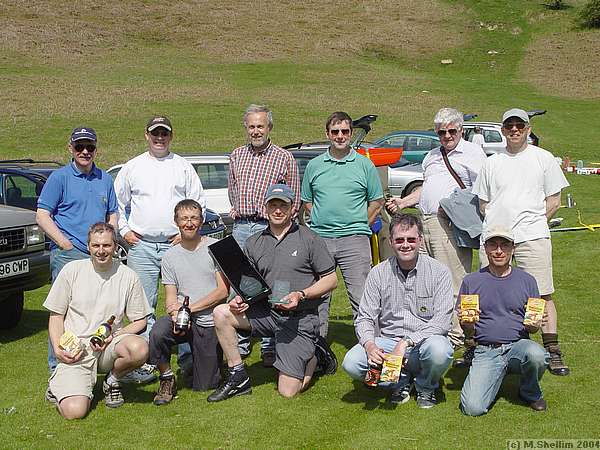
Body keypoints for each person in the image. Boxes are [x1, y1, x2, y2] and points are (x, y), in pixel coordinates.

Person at [207, 184, 338, 402]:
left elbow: (331, 279)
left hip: (299, 319)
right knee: (221, 313)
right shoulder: (254, 242)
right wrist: (241, 299)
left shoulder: (309, 238)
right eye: (273, 205)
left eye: (283, 206)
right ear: (265, 209)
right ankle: (238, 375)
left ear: (292, 209)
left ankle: (315, 354)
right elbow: (250, 283)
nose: (278, 210)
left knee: (288, 391)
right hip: (267, 313)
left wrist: (301, 295)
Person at [473, 108, 570, 376]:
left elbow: (554, 200)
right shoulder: (492, 162)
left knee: (542, 293)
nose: (514, 129)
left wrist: (535, 222)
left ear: (528, 129)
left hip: (532, 236)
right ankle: (479, 345)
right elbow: (483, 203)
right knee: (487, 292)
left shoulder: (544, 158)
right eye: (509, 126)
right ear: (503, 130)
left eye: (520, 125)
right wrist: (500, 227)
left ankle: (551, 349)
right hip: (495, 238)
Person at [386, 107, 487, 360]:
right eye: (442, 132)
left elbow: (484, 189)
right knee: (425, 280)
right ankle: (431, 330)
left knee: (454, 282)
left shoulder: (474, 153)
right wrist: (403, 202)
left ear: (461, 130)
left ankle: (459, 336)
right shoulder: (431, 156)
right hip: (426, 223)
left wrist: (455, 205)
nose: (447, 136)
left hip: (451, 225)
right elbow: (427, 188)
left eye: (452, 131)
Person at [114, 116, 205, 383]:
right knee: (142, 306)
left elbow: (197, 200)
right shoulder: (133, 167)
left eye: (164, 133)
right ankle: (148, 360)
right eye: (155, 133)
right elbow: (116, 203)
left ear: (171, 136)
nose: (160, 138)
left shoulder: (182, 166)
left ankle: (189, 358)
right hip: (141, 245)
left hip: (174, 244)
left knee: (185, 302)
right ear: (146, 135)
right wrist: (124, 231)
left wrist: (182, 232)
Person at [342, 213, 454, 409]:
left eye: (411, 239)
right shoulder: (378, 272)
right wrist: (369, 345)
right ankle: (400, 382)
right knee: (351, 362)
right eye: (399, 240)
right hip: (387, 342)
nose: (405, 245)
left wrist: (406, 342)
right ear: (391, 242)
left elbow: (442, 322)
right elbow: (365, 317)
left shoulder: (439, 272)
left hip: (422, 342)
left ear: (420, 240)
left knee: (441, 350)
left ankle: (426, 386)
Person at [44, 223, 151, 419]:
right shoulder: (71, 271)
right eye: (96, 246)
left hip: (108, 347)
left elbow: (140, 321)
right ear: (88, 246)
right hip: (77, 351)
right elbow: (56, 316)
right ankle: (60, 386)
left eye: (107, 246)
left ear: (115, 246)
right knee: (75, 412)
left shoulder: (128, 275)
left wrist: (117, 335)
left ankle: (113, 380)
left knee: (139, 348)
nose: (101, 251)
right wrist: (59, 349)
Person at [36, 126, 118, 373]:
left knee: (99, 309)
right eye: (79, 147)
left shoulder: (105, 178)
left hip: (100, 255)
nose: (85, 152)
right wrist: (64, 243)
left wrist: (110, 241)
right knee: (62, 313)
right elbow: (42, 215)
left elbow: (112, 213)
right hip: (68, 255)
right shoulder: (59, 177)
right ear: (70, 148)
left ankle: (92, 364)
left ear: (96, 149)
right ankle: (57, 367)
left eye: (90, 147)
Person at [228, 104, 300, 366]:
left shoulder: (284, 157)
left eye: (261, 126)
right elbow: (232, 189)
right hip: (242, 227)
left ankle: (271, 341)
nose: (256, 131)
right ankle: (243, 338)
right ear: (246, 128)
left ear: (269, 127)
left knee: (272, 283)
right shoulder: (236, 155)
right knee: (241, 283)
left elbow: (294, 195)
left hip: (270, 226)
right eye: (251, 126)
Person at [301, 111, 384, 338]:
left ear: (350, 133)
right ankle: (316, 350)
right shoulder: (315, 165)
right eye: (335, 131)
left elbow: (377, 200)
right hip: (320, 240)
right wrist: (320, 217)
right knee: (319, 298)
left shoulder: (364, 165)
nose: (340, 136)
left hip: (355, 240)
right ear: (327, 134)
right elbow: (307, 200)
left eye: (345, 131)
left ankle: (369, 350)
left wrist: (360, 223)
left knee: (361, 297)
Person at [459, 226, 549, 415]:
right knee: (472, 408)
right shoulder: (471, 281)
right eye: (493, 245)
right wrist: (467, 326)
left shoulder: (527, 280)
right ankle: (495, 374)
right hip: (486, 350)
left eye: (504, 245)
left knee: (537, 355)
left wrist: (534, 326)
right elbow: (468, 332)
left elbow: (532, 330)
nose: (499, 251)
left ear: (512, 248)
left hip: (518, 345)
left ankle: (529, 391)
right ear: (485, 248)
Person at [148, 199, 229, 405]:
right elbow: (170, 297)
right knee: (157, 332)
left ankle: (215, 363)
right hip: (183, 319)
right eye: (184, 218)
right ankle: (166, 378)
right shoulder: (169, 256)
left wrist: (189, 309)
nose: (189, 223)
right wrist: (176, 315)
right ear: (176, 222)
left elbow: (222, 291)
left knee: (205, 385)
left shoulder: (215, 248)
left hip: (209, 320)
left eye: (194, 218)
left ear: (201, 221)